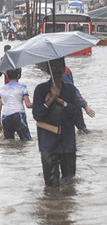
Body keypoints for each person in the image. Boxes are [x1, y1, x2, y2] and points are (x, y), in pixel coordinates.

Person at [32, 57, 82, 187]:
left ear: (64, 68)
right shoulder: (40, 90)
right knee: (51, 187)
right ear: (48, 70)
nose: (57, 70)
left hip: (67, 143)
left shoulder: (70, 89)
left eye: (60, 66)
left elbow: (77, 112)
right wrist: (50, 100)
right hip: (48, 144)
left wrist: (63, 102)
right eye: (53, 67)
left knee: (70, 184)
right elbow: (37, 115)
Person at [0, 69, 32, 141]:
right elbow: (28, 105)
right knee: (26, 141)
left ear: (7, 76)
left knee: (9, 142)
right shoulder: (23, 87)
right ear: (18, 76)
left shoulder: (2, 89)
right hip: (19, 115)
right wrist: (41, 103)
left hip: (6, 117)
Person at [62, 66, 95, 134]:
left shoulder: (63, 72)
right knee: (81, 130)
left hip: (70, 103)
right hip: (70, 103)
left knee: (81, 130)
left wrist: (85, 105)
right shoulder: (65, 69)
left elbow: (72, 90)